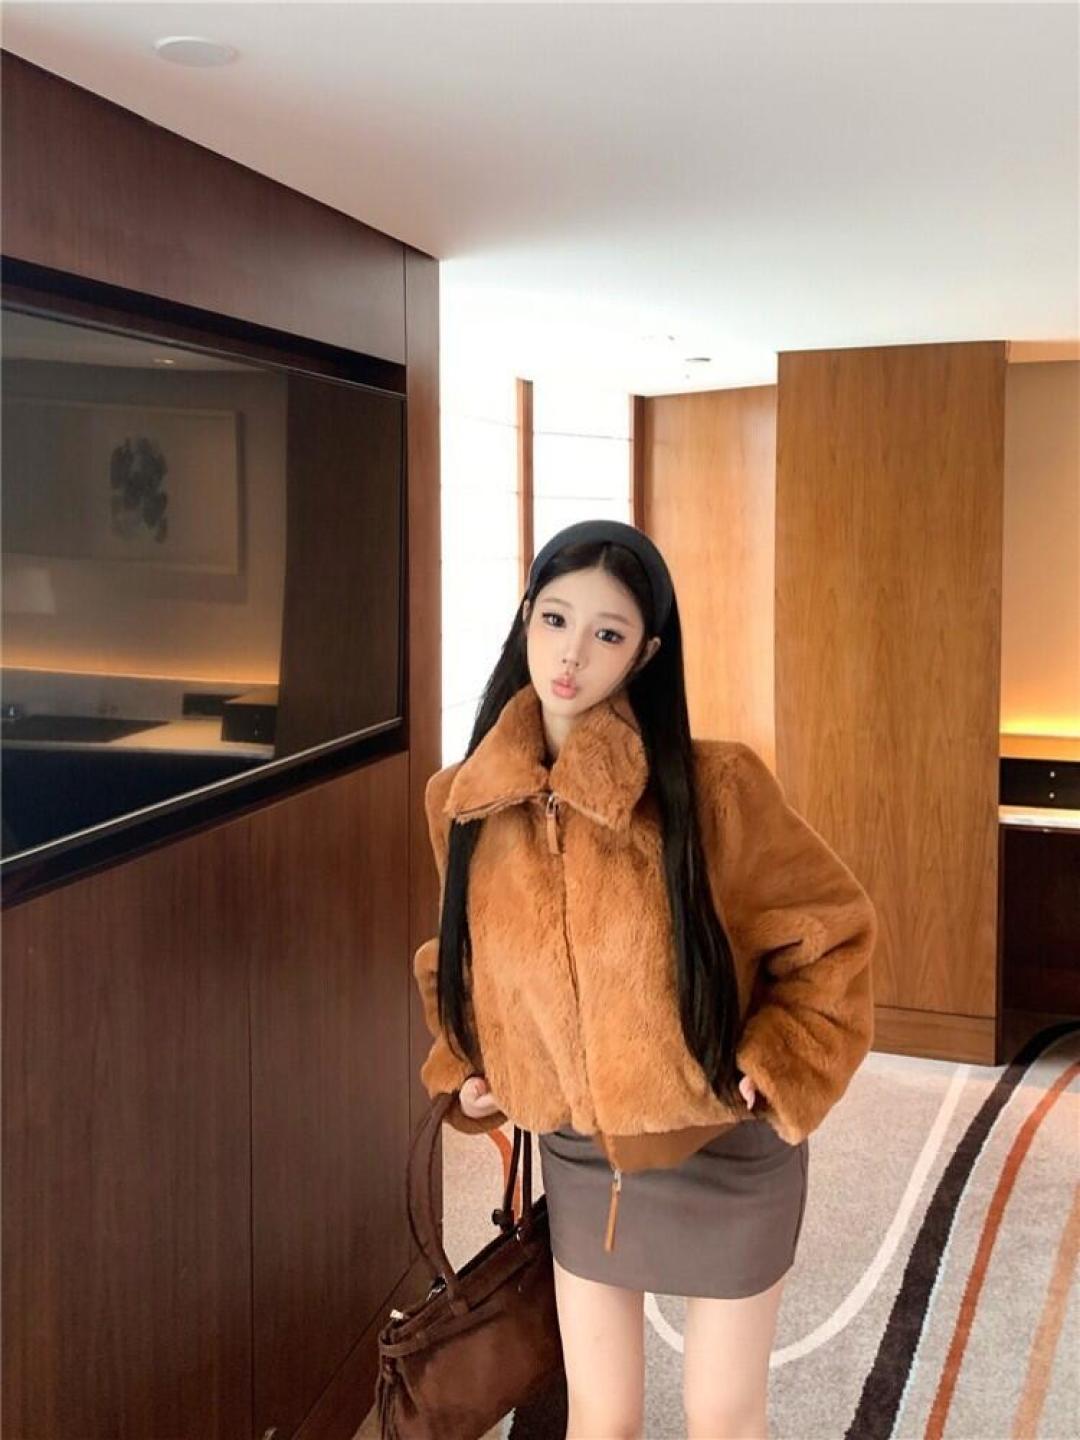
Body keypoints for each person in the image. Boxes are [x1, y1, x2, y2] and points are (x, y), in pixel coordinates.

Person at [413, 518, 878, 1440]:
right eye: (555, 619)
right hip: (584, 1155)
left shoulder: (719, 789)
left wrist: (780, 1059)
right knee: (601, 1417)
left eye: (608, 633)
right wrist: (471, 1066)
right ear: (526, 619)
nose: (571, 654)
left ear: (646, 653)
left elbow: (834, 932)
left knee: (722, 1415)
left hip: (726, 1146)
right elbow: (462, 960)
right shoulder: (464, 800)